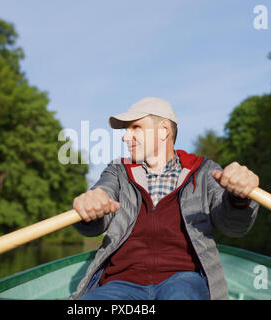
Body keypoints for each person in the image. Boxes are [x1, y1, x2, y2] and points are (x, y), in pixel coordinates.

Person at [70, 97, 260, 300]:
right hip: (120, 283)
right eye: (126, 130)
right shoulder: (118, 171)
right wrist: (91, 206)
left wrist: (238, 199)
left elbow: (233, 227)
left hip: (183, 279)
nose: (125, 137)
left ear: (163, 130)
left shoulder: (205, 171)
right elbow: (101, 197)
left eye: (135, 128)